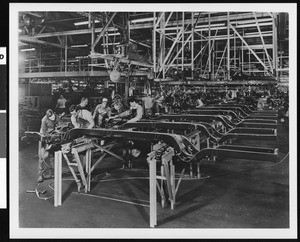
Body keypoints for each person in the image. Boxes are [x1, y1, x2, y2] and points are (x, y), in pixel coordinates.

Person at [37, 109, 59, 183]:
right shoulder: (44, 120)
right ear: (47, 116)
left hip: (52, 136)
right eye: (50, 118)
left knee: (52, 156)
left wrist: (57, 131)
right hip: (44, 137)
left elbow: (58, 125)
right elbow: (44, 131)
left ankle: (52, 173)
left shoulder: (56, 116)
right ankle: (40, 175)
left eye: (53, 117)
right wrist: (49, 136)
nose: (52, 119)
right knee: (42, 157)